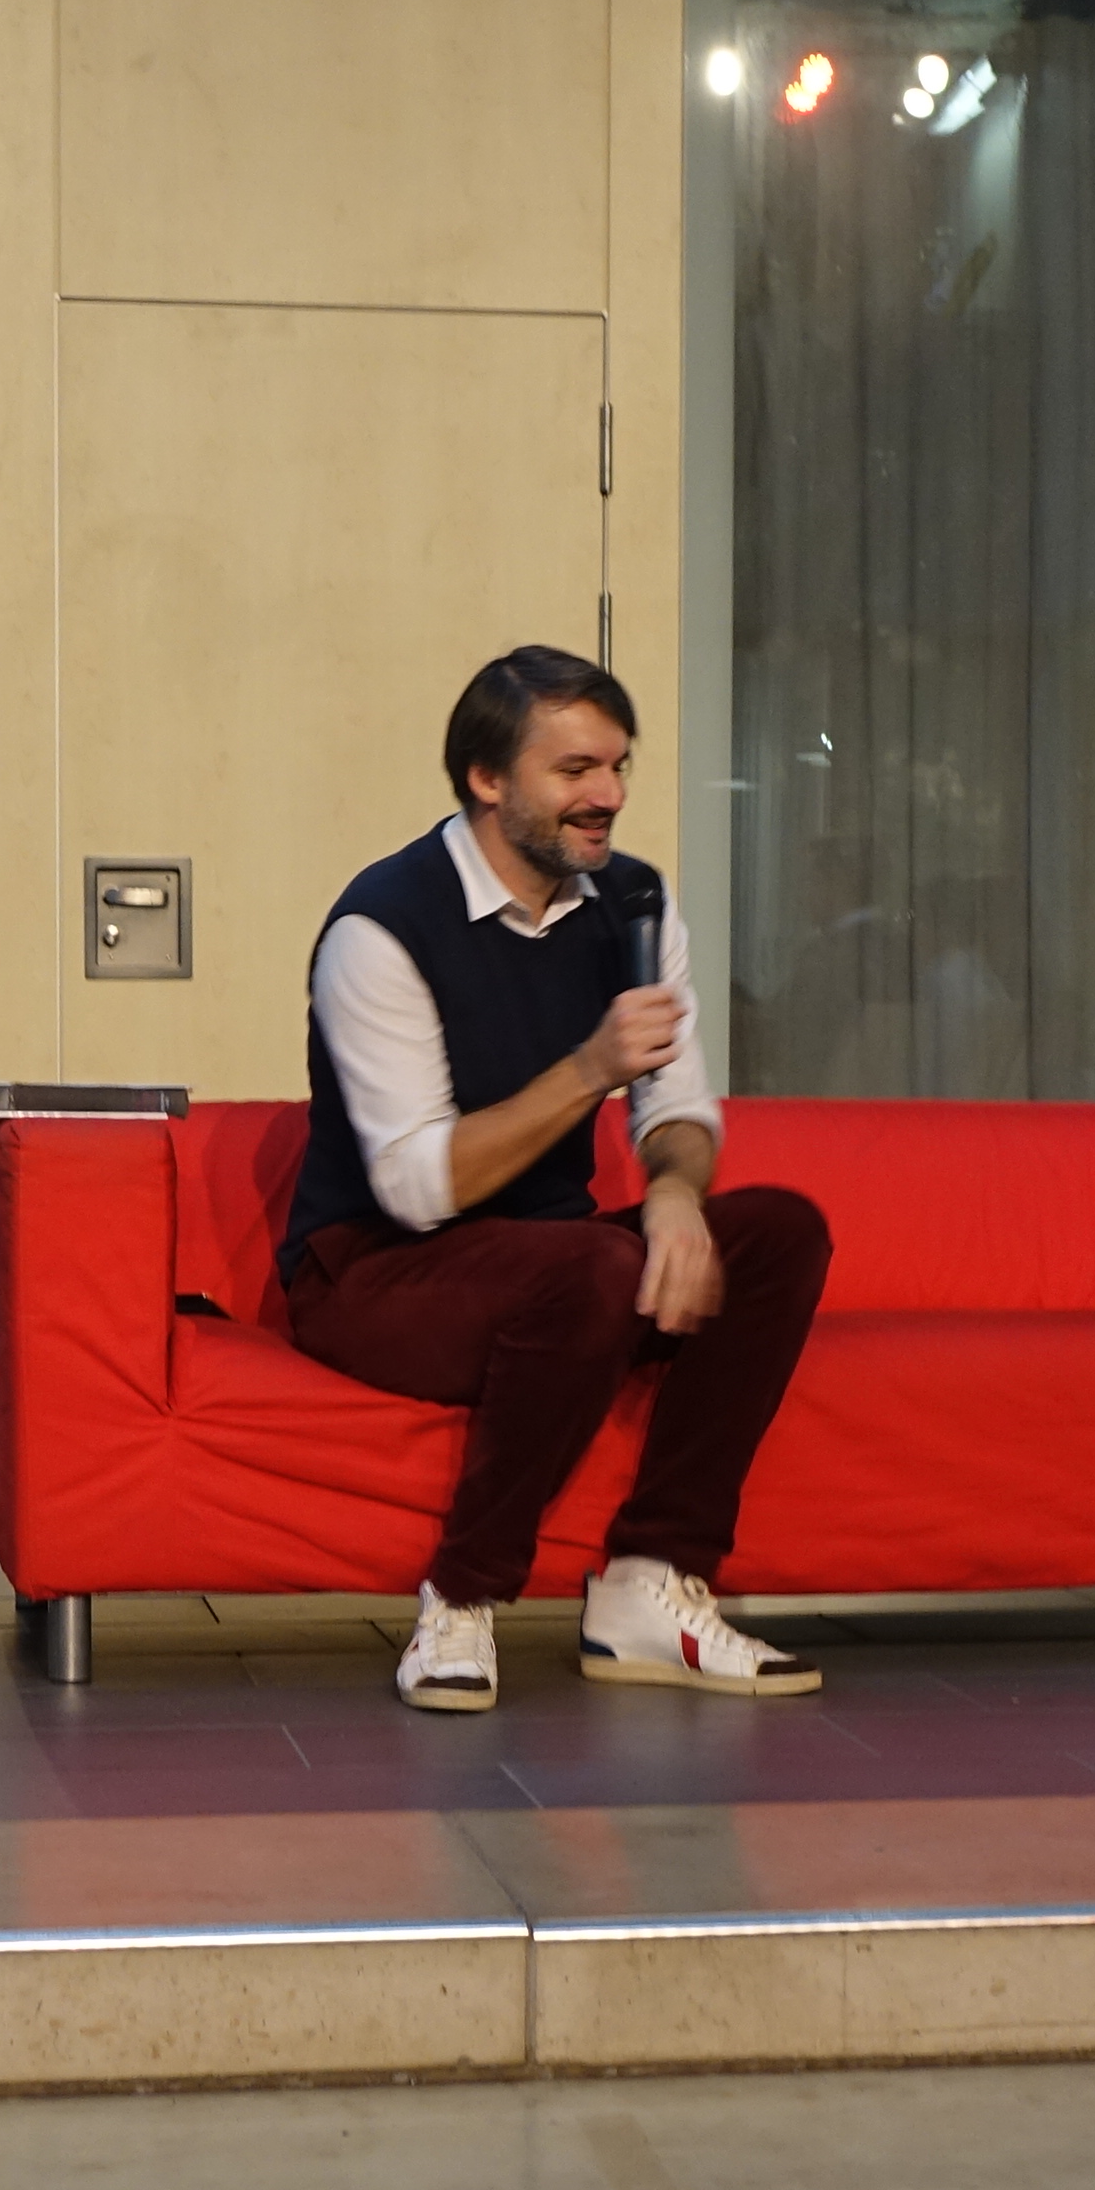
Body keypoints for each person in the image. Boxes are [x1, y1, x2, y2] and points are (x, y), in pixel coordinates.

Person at [285, 647, 834, 1712]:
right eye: (576, 769)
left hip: (557, 1260)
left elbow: (678, 1110)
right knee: (588, 1266)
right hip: (375, 1270)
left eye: (618, 766)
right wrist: (589, 1068)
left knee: (775, 1232)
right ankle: (460, 1598)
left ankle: (649, 1585)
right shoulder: (382, 927)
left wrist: (673, 1194)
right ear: (488, 778)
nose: (609, 795)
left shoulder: (633, 903)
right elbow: (415, 1189)